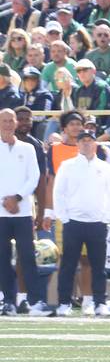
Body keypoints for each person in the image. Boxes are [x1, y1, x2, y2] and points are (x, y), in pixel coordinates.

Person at [52, 130, 110, 317]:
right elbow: (59, 192)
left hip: (97, 223)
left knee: (98, 266)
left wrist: (105, 219)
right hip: (73, 223)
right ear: (78, 144)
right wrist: (64, 218)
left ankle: (100, 303)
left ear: (95, 144)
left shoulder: (104, 167)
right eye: (83, 141)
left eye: (90, 140)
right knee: (68, 265)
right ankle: (64, 303)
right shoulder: (67, 166)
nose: (87, 144)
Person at [0, 109, 42, 316]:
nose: (7, 124)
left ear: (16, 123)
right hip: (1, 213)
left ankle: (34, 301)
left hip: (23, 211)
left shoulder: (27, 148)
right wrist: (5, 201)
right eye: (4, 121)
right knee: (2, 258)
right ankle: (8, 301)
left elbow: (34, 177)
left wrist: (16, 198)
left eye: (11, 120)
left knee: (27, 257)